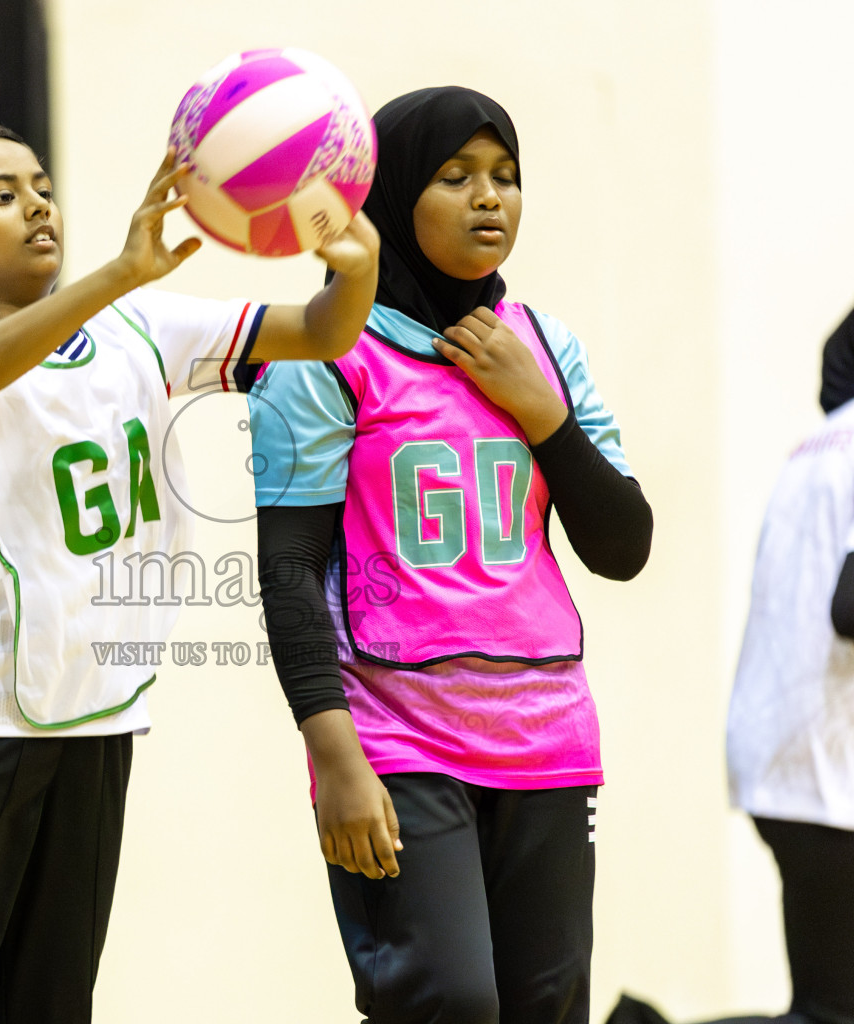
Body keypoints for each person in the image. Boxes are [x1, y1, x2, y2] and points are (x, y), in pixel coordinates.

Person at [0, 119, 378, 1024]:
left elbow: (319, 331)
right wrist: (121, 270)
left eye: (41, 185)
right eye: (1, 195)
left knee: (48, 1000)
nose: (38, 204)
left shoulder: (141, 328)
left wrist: (354, 267)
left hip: (94, 708)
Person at [247, 87, 653, 1024]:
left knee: (545, 1008)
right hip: (397, 742)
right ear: (390, 198)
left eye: (506, 178)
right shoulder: (326, 352)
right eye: (455, 175)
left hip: (546, 738)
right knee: (452, 1002)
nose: (489, 199)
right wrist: (333, 755)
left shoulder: (546, 347)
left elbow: (623, 546)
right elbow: (289, 569)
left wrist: (539, 411)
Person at [608, 268, 854, 1024]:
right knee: (837, 1014)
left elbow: (825, 618)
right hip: (825, 765)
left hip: (792, 746)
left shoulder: (832, 437)